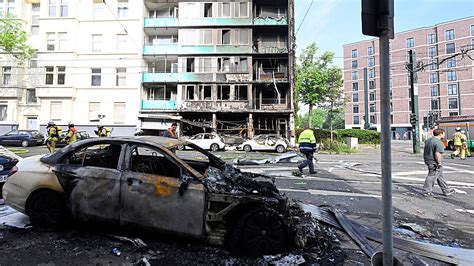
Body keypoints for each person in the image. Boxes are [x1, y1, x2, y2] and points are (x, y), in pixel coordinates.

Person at [423, 128, 455, 196]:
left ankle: (446, 190)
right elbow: (437, 154)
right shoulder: (438, 142)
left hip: (428, 160)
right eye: (444, 133)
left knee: (439, 176)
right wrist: (439, 163)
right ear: (440, 134)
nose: (444, 135)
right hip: (434, 162)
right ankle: (426, 191)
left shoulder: (428, 140)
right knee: (432, 176)